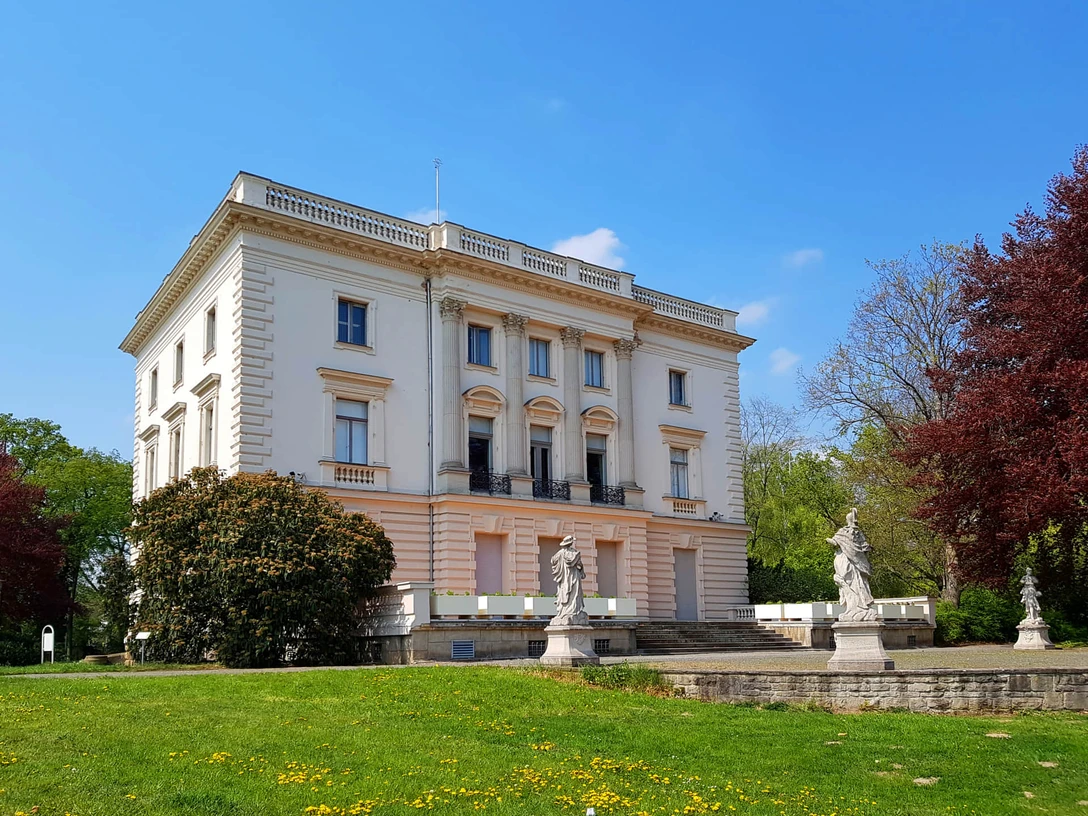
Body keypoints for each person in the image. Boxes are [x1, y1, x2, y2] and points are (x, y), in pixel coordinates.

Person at [550, 535, 588, 626]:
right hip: (573, 576)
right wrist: (581, 568)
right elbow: (579, 565)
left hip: (564, 579)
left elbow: (553, 561)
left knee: (566, 593)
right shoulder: (574, 553)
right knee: (574, 594)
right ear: (570, 543)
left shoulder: (559, 553)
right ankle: (573, 612)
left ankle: (565, 612)